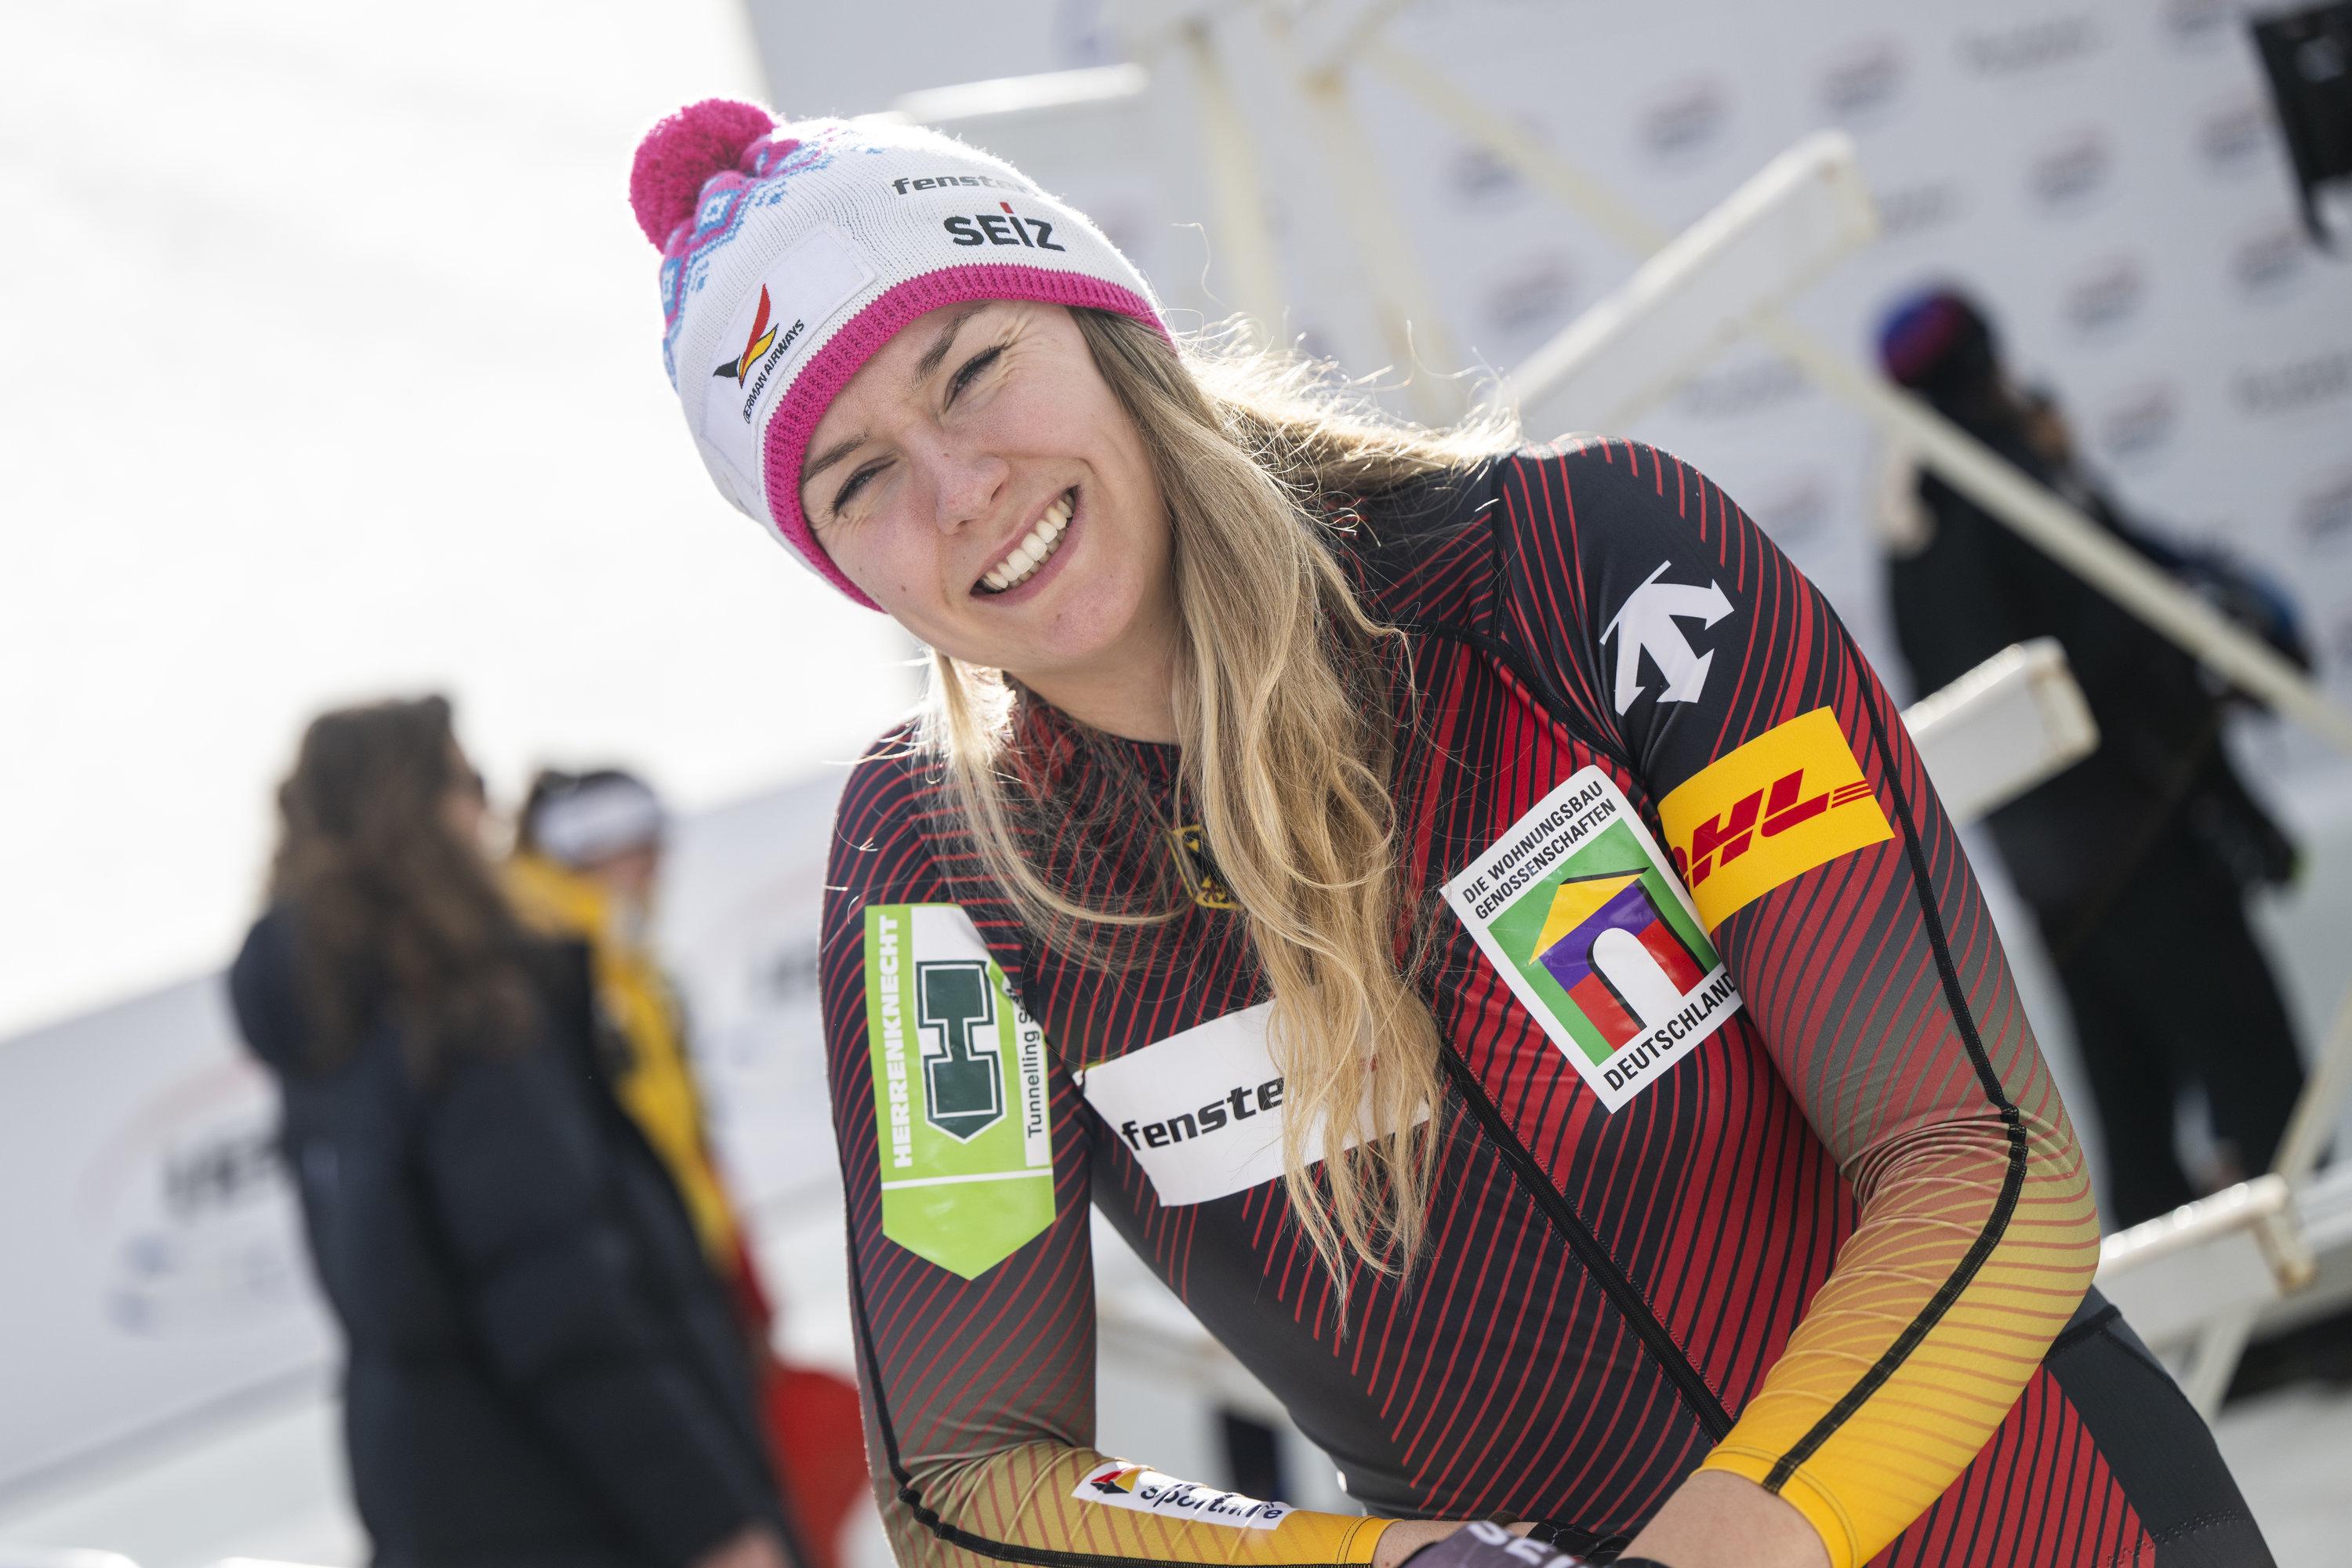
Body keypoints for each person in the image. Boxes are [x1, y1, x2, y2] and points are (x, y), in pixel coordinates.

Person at [626, 100, 2274, 1568]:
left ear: (1104, 325)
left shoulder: (1583, 569)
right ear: (838, 565)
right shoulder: (938, 883)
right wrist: (1393, 1563)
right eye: (856, 481)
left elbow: (1982, 1165)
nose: (959, 487)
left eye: (972, 368)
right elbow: (971, 1479)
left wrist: (1726, 1544)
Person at [227, 698, 797, 1568]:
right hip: (573, 1508)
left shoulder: (331, 1034)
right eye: (470, 784)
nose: (490, 816)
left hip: (434, 1500)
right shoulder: (464, 1017)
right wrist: (714, 1522)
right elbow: (560, 1300)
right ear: (411, 811)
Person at [1875, 287, 2309, 1230]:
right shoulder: (2010, 477)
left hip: (2052, 879)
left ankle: (2204, 1308)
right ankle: (2313, 1293)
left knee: (2135, 1124)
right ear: (1982, 363)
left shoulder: (1910, 524)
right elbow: (2127, 639)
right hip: (2142, 838)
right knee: (2263, 1083)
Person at [507, 768, 869, 1568]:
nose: (657, 867)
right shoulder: (558, 965)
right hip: (650, 1285)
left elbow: (682, 1141)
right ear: (595, 848)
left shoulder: (618, 957)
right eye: (642, 847)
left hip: (687, 1267)